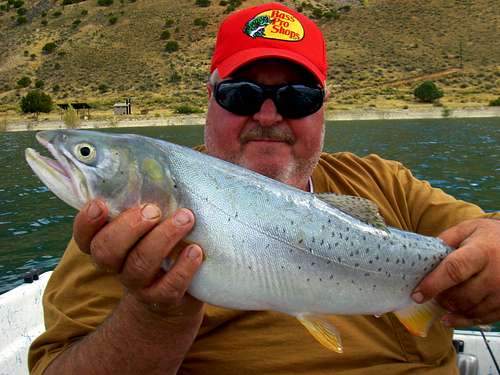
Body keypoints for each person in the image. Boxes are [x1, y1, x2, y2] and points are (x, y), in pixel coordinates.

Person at [29, 2, 499, 374]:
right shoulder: (114, 241)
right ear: (210, 98)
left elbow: (487, 233)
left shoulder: (385, 182)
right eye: (242, 94)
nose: (269, 116)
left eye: (298, 97)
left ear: (323, 106)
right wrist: (156, 313)